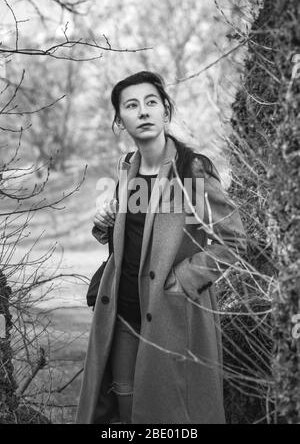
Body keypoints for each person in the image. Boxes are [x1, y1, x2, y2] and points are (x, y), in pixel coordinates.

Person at [76, 71, 247, 424]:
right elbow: (131, 232)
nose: (143, 111)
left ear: (165, 112)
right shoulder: (127, 167)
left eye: (151, 102)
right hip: (122, 314)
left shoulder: (193, 170)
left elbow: (233, 241)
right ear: (119, 120)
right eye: (131, 106)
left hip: (172, 316)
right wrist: (105, 221)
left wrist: (183, 279)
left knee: (171, 415)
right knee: (125, 409)